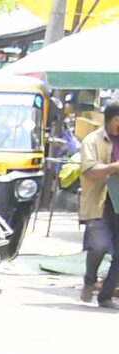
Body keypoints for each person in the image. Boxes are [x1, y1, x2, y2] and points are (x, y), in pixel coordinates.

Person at [81, 100, 119, 308]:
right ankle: (90, 280)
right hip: (101, 202)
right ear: (114, 119)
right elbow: (89, 172)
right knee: (98, 246)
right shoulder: (92, 141)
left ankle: (105, 296)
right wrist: (114, 167)